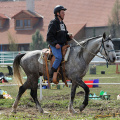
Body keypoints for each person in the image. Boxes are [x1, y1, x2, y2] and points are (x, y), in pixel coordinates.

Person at [47, 5, 73, 82]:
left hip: (63, 45)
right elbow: (49, 37)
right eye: (62, 13)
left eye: (64, 13)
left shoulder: (62, 24)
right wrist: (55, 44)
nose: (64, 14)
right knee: (58, 57)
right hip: (55, 46)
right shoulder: (53, 23)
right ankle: (50, 75)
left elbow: (64, 35)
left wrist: (69, 37)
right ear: (57, 13)